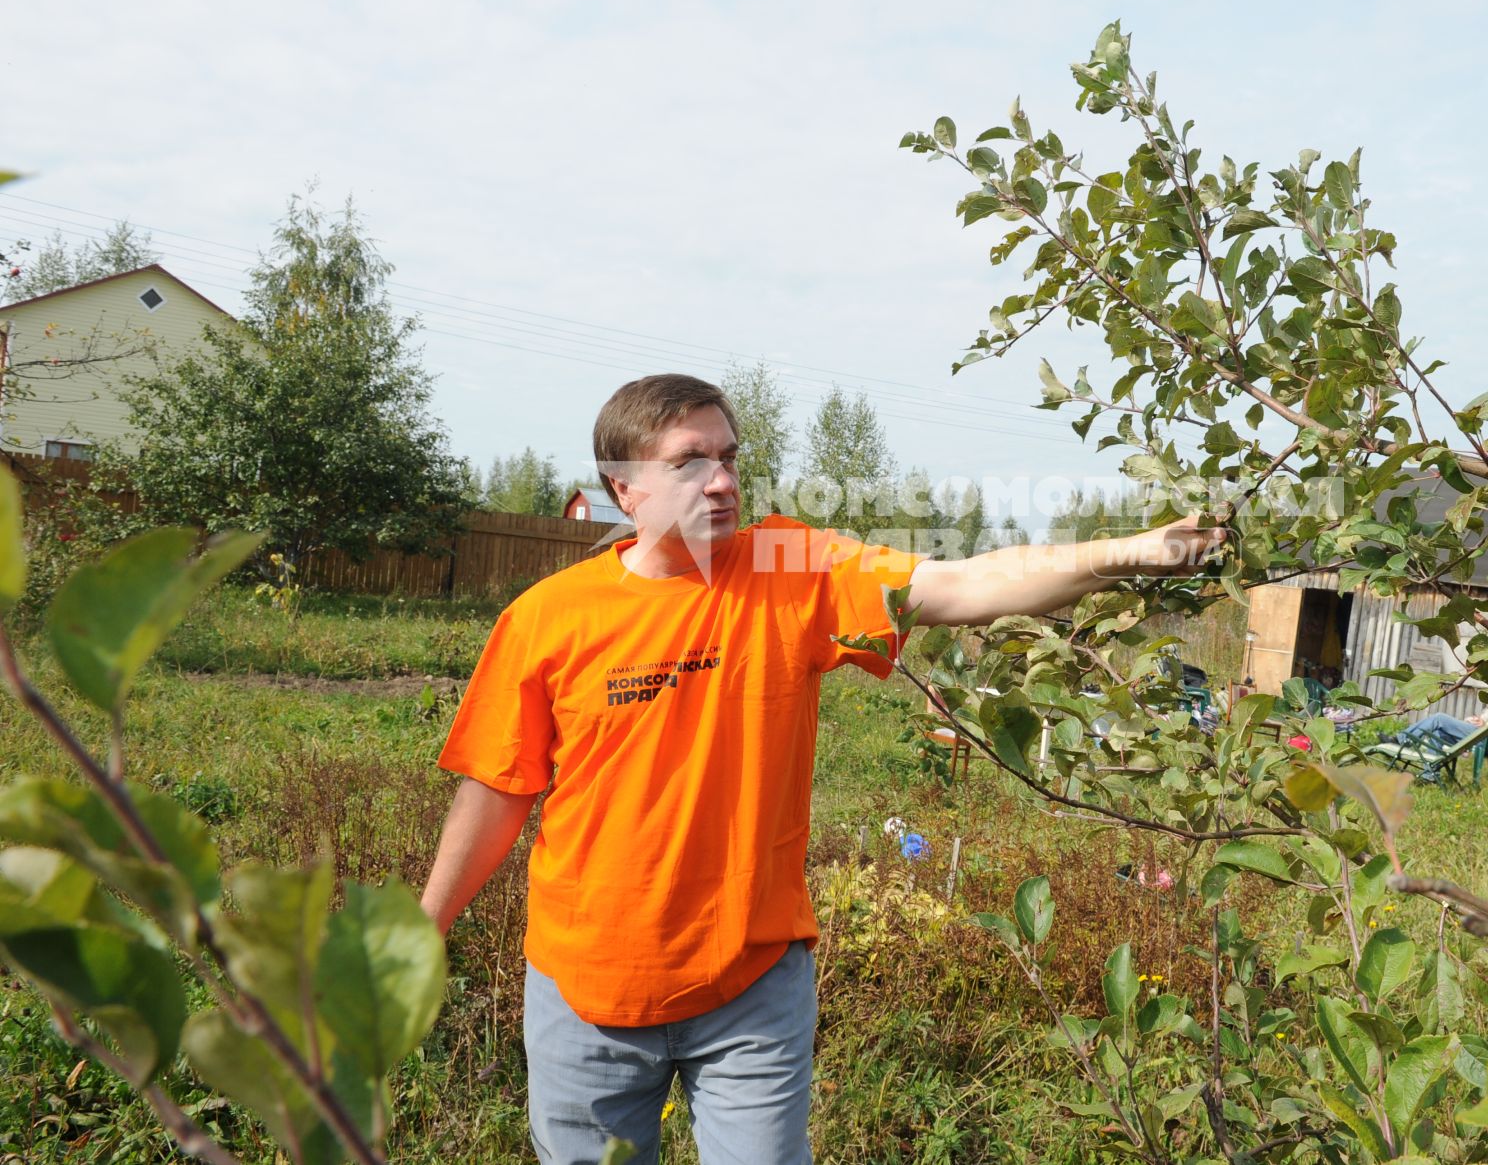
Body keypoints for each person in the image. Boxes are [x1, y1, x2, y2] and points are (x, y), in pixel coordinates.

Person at [417, 374, 1226, 1165]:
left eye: (731, 456)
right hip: (585, 988)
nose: (724, 481)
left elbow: (959, 582)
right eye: (691, 461)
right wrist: (426, 927)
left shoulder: (787, 563)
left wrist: (1136, 551)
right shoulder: (547, 619)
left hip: (751, 985)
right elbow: (497, 789)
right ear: (623, 489)